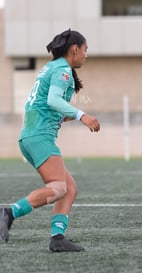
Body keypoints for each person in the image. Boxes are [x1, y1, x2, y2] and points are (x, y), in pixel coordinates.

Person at [0, 29, 100, 252]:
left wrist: (64, 116)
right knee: (57, 188)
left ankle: (57, 238)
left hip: (31, 135)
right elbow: (53, 99)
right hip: (39, 136)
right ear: (75, 49)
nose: (86, 55)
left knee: (70, 189)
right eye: (85, 50)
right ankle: (9, 212)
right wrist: (81, 115)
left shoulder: (51, 67)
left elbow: (45, 104)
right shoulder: (63, 70)